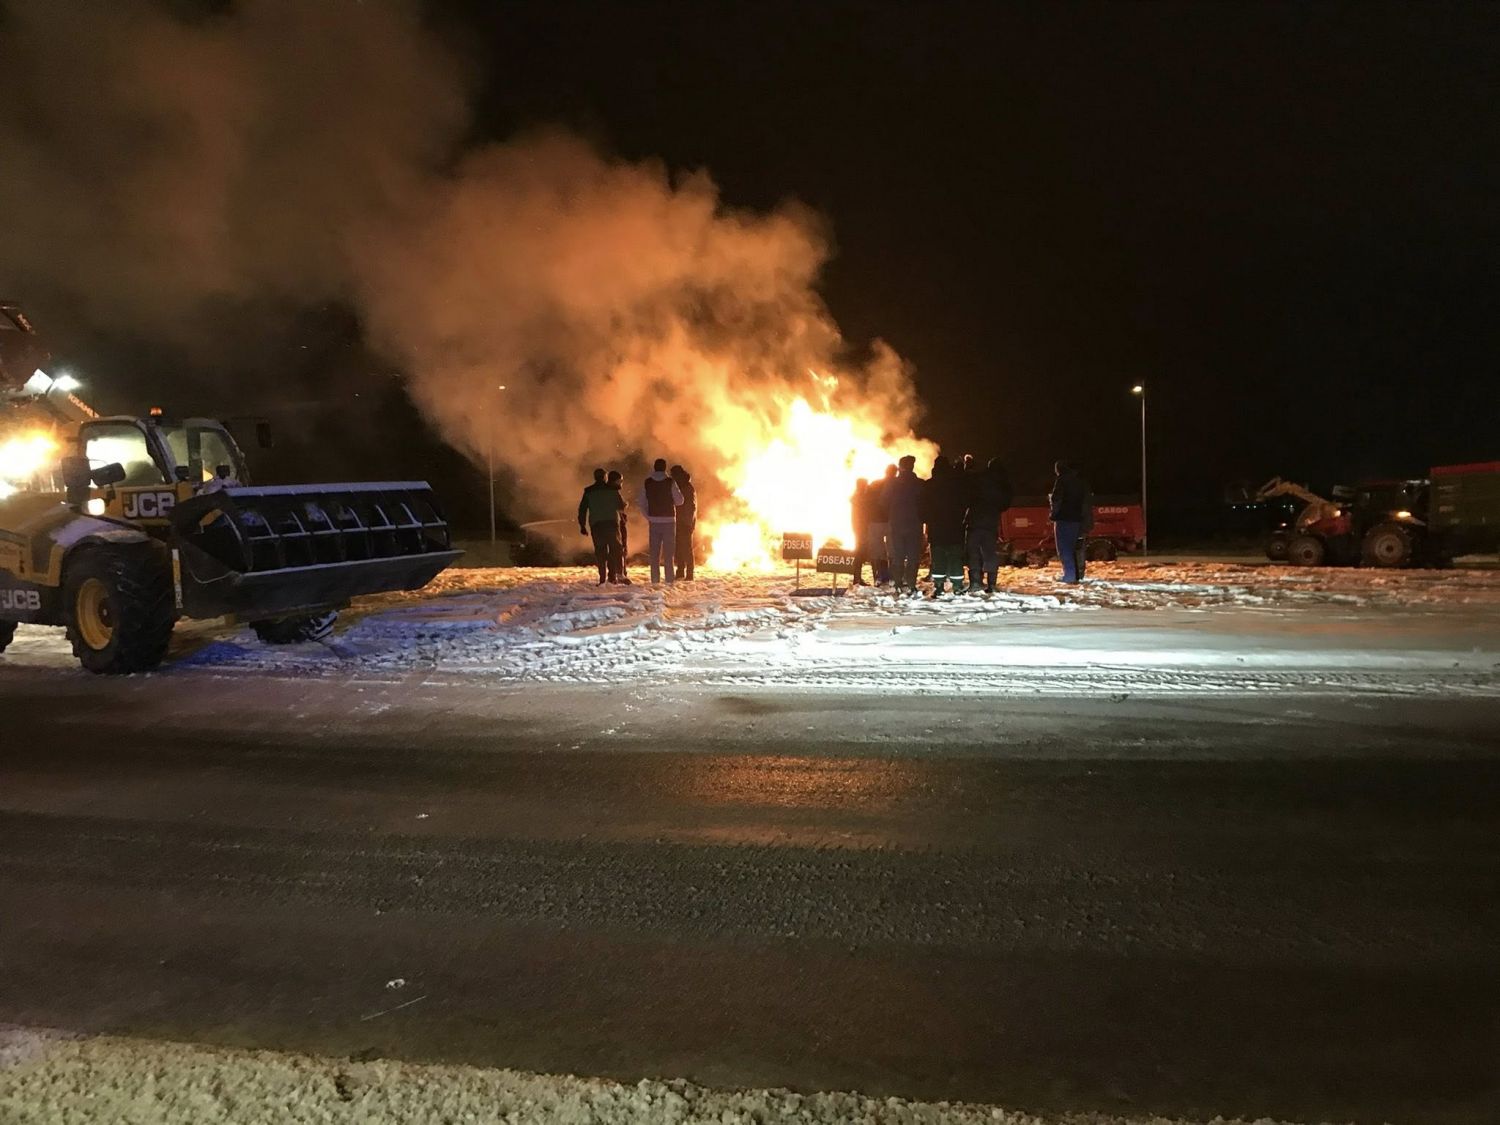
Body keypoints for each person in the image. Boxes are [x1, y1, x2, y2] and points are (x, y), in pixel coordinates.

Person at [965, 458, 1012, 595]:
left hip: (974, 520)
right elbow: (1005, 503)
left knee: (973, 551)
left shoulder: (979, 478)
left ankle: (975, 582)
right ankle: (991, 584)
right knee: (990, 552)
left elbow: (968, 495)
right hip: (991, 522)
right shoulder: (1002, 483)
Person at [924, 456, 969, 596]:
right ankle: (957, 586)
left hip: (936, 528)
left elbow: (921, 506)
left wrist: (927, 520)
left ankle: (938, 586)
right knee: (955, 557)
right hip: (955, 527)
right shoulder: (957, 485)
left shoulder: (929, 485)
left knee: (938, 558)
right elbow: (964, 502)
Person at [637, 458, 684, 585]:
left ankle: (655, 581)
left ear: (654, 467)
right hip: (669, 520)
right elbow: (680, 501)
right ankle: (669, 580)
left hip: (654, 521)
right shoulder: (670, 482)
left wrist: (648, 516)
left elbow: (641, 502)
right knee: (669, 554)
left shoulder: (647, 482)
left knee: (654, 554)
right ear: (665, 468)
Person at [885, 455, 927, 596]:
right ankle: (911, 584)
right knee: (913, 556)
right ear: (912, 466)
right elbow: (925, 503)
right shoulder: (920, 483)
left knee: (898, 555)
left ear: (900, 467)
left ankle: (897, 583)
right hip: (914, 525)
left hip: (896, 524)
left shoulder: (892, 483)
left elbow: (883, 501)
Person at [577, 468, 625, 584]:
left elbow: (582, 510)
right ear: (605, 477)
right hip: (611, 523)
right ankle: (617, 575)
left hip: (596, 525)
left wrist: (582, 526)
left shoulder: (588, 491)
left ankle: (602, 578)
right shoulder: (613, 490)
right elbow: (620, 506)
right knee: (616, 549)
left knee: (600, 551)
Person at [1049, 460, 1088, 584]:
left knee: (1064, 548)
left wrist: (1053, 514)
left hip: (1063, 518)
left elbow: (1057, 499)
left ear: (1058, 470)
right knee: (1072, 548)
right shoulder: (1078, 481)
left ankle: (1069, 575)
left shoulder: (1061, 480)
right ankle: (1075, 574)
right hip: (1076, 519)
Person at [865, 464, 896, 584]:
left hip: (876, 521)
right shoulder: (898, 485)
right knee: (893, 550)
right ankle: (892, 575)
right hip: (891, 521)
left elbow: (867, 503)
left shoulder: (875, 484)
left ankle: (879, 575)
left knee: (877, 550)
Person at [669, 464, 697, 580]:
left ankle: (689, 573)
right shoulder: (683, 486)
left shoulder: (686, 488)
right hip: (681, 521)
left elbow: (691, 507)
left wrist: (688, 522)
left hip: (685, 522)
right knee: (680, 548)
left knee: (686, 548)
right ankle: (681, 571)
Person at [608, 470, 632, 584]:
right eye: (620, 481)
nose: (621, 483)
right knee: (620, 548)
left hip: (611, 523)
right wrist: (625, 505)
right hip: (618, 523)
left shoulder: (607, 491)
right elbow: (619, 506)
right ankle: (621, 573)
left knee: (613, 549)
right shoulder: (614, 492)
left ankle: (612, 575)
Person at [850, 478, 874, 585]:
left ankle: (857, 577)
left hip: (858, 528)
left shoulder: (856, 497)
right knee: (859, 554)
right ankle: (857, 578)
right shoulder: (861, 499)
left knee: (859, 554)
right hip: (862, 529)